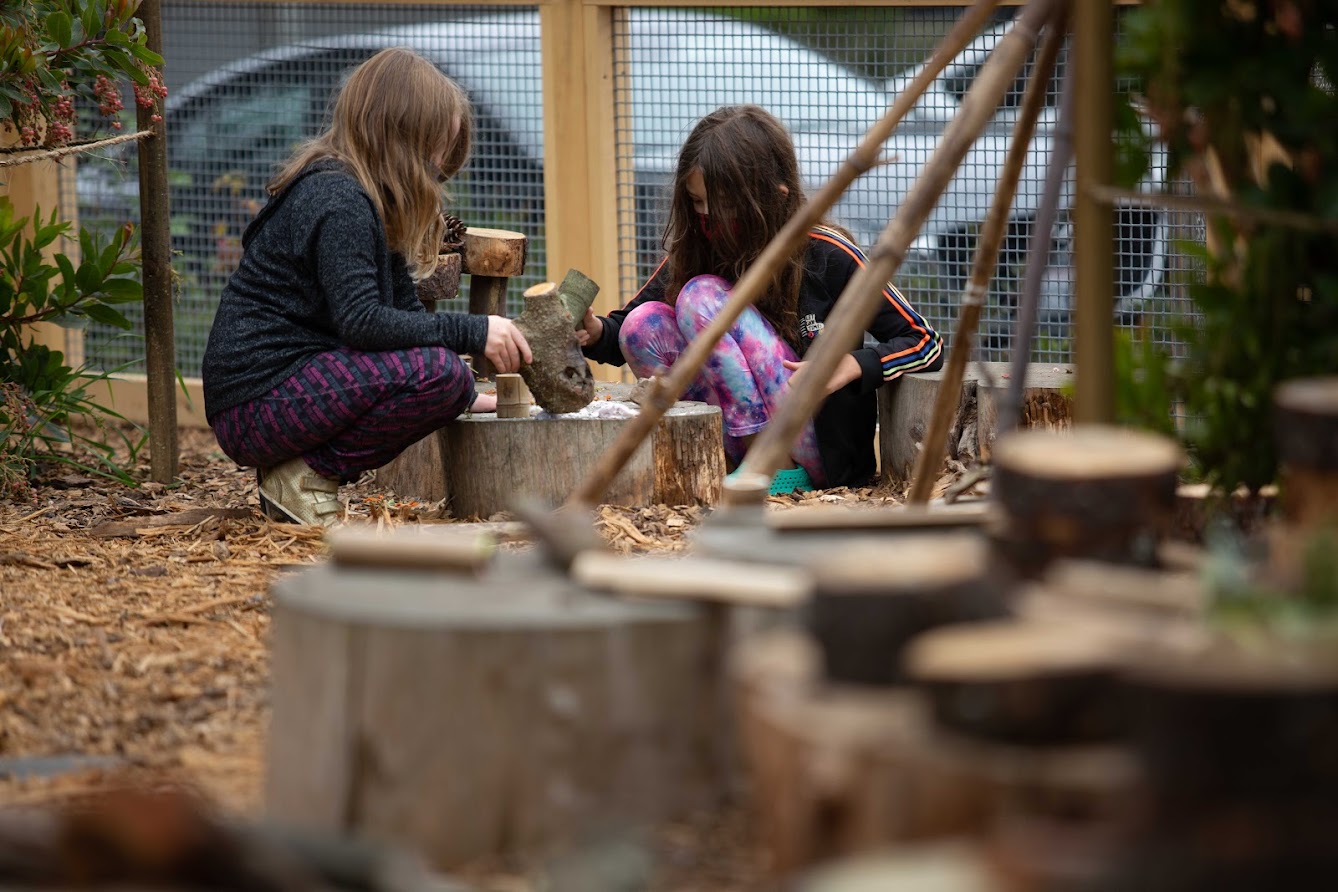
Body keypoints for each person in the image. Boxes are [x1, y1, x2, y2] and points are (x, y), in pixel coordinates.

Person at [202, 47, 531, 525]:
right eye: (437, 146)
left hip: (278, 391)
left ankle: (300, 474)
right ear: (404, 136)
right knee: (441, 372)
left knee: (447, 379)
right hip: (257, 404)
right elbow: (362, 323)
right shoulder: (340, 201)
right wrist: (476, 332)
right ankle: (303, 478)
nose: (439, 164)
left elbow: (405, 318)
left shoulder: (363, 195)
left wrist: (464, 398)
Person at [578, 105, 943, 493]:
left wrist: (854, 364)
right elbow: (630, 334)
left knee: (700, 296)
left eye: (721, 205)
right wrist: (596, 330)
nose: (707, 218)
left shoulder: (827, 254)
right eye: (697, 203)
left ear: (772, 195)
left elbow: (925, 342)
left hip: (813, 445)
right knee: (643, 324)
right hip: (730, 441)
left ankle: (769, 466)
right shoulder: (700, 247)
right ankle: (720, 459)